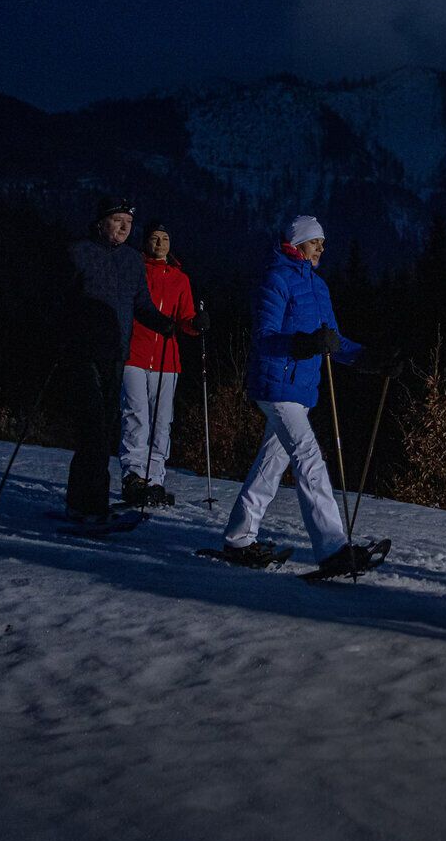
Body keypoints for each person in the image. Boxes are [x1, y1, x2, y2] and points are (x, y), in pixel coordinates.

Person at [219, 215, 401, 572]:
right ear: (297, 243)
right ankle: (332, 547)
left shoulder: (319, 287)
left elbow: (333, 342)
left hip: (300, 390)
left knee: (271, 465)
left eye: (322, 242)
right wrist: (305, 344)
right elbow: (265, 336)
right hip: (274, 385)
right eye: (315, 241)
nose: (321, 248)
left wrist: (371, 359)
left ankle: (239, 537)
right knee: (308, 457)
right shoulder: (276, 278)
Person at [59, 196, 176, 523]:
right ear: (101, 222)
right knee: (94, 427)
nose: (125, 227)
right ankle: (89, 505)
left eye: (129, 221)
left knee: (102, 430)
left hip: (115, 355)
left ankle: (80, 502)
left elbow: (142, 306)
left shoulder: (130, 261)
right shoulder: (78, 253)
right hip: (83, 354)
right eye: (117, 220)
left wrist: (164, 323)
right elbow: (59, 301)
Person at [118, 222, 208, 508]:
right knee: (136, 415)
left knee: (161, 422)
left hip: (168, 358)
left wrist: (196, 324)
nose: (160, 243)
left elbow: (185, 318)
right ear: (145, 242)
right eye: (155, 238)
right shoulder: (136, 269)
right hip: (135, 352)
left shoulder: (180, 279)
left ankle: (155, 479)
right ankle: (134, 476)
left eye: (165, 238)